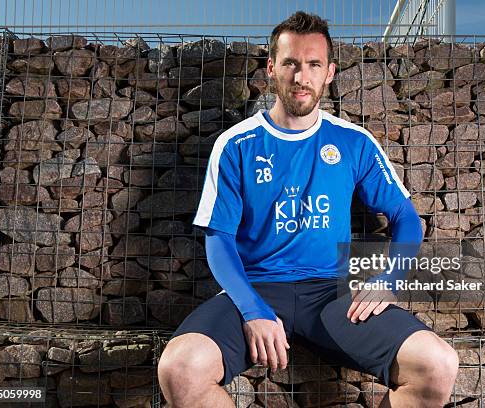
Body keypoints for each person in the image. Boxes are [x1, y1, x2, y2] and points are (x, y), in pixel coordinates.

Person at [158, 11, 459, 408]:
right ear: (271, 69)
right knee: (180, 369)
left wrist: (390, 278)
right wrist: (253, 310)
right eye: (291, 64)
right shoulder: (236, 145)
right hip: (255, 289)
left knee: (437, 364)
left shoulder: (353, 142)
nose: (302, 77)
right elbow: (219, 239)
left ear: (330, 72)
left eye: (314, 64)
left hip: (332, 296)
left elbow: (406, 221)